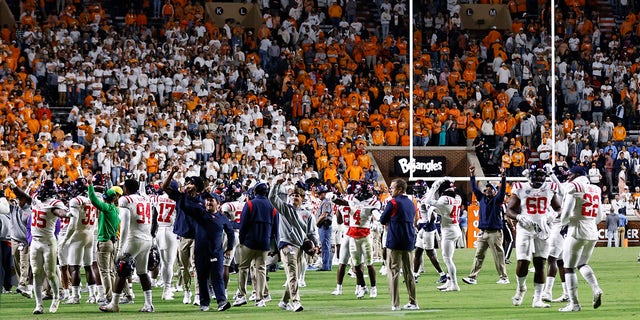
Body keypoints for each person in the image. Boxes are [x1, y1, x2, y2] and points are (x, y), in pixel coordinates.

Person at [507, 165, 562, 308]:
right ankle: (521, 287)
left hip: (543, 229)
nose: (539, 178)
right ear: (529, 175)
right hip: (525, 228)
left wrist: (553, 214)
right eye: (536, 175)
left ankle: (537, 299)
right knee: (523, 262)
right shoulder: (520, 187)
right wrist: (519, 217)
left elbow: (559, 208)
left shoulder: (550, 187)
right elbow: (509, 210)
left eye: (541, 176)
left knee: (540, 263)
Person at [100, 179, 157, 313]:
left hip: (133, 239)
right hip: (147, 238)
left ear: (126, 188)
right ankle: (148, 304)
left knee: (121, 271)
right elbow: (154, 217)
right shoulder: (147, 198)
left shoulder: (125, 200)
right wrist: (152, 237)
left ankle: (114, 304)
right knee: (142, 273)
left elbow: (124, 224)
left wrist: (120, 247)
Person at [15, 179, 71, 314]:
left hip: (48, 242)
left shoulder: (54, 204)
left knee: (50, 274)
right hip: (35, 241)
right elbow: (25, 196)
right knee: (36, 273)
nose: (40, 191)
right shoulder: (36, 199)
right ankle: (38, 305)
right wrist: (13, 186)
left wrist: (68, 214)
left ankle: (56, 297)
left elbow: (60, 213)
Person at [558, 166, 604, 312]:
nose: (567, 177)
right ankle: (596, 288)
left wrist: (563, 222)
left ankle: (575, 304)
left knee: (568, 267)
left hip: (577, 229)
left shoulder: (574, 186)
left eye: (570, 174)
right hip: (592, 230)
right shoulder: (595, 189)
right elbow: (600, 217)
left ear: (577, 175)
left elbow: (565, 215)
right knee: (582, 263)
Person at [180, 188, 234, 312]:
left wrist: (229, 248)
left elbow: (230, 233)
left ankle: (222, 301)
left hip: (216, 252)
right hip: (200, 252)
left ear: (218, 204)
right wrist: (186, 194)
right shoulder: (200, 214)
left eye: (212, 200)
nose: (209, 202)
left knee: (217, 277)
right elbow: (184, 206)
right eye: (208, 200)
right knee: (202, 278)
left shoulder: (222, 218)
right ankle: (204, 303)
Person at [270, 177, 318, 312]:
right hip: (287, 244)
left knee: (294, 275)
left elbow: (311, 232)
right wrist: (276, 185)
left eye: (297, 195)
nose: (294, 197)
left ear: (302, 198)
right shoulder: (285, 208)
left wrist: (316, 245)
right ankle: (296, 301)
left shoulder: (307, 214)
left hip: (300, 246)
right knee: (292, 273)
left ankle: (284, 301)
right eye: (292, 195)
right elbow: (272, 198)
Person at [462, 165, 510, 285]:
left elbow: (503, 189)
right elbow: (474, 188)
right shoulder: (482, 198)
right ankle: (472, 277)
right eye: (487, 188)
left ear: (495, 192)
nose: (488, 189)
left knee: (498, 255)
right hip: (483, 232)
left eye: (491, 188)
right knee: (478, 255)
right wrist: (472, 175)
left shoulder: (497, 200)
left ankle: (504, 277)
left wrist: (503, 177)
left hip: (495, 232)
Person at [234, 182, 279, 308]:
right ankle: (260, 298)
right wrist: (273, 246)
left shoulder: (250, 204)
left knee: (243, 269)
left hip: (249, 242)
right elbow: (276, 230)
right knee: (261, 270)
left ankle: (242, 295)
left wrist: (242, 240)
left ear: (255, 192)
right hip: (264, 244)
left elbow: (243, 225)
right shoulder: (273, 207)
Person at [379, 178, 418, 311]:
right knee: (409, 273)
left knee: (394, 273)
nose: (390, 189)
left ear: (400, 189)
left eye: (392, 187)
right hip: (408, 241)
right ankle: (413, 302)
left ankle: (395, 304)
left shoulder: (393, 202)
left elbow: (382, 220)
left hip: (395, 241)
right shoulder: (411, 203)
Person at [162, 166, 199, 305]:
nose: (188, 185)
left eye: (191, 183)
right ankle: (187, 291)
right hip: (183, 236)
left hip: (197, 236)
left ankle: (197, 294)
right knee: (183, 267)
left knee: (195, 266)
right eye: (187, 183)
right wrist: (171, 172)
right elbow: (164, 187)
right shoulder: (180, 197)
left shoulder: (201, 199)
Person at [61, 178, 98, 304]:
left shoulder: (75, 200)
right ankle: (93, 295)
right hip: (90, 233)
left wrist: (65, 239)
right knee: (88, 266)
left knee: (74, 267)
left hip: (79, 234)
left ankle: (75, 296)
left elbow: (73, 223)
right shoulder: (92, 199)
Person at [87, 175, 121, 305]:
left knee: (105, 272)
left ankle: (109, 297)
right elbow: (109, 195)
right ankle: (113, 295)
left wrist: (90, 186)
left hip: (104, 242)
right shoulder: (116, 210)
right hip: (113, 242)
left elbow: (94, 200)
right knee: (111, 271)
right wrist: (107, 180)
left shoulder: (106, 209)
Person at [426, 178, 463, 292]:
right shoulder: (458, 198)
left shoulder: (443, 199)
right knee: (449, 258)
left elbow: (428, 200)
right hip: (455, 228)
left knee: (447, 259)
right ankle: (449, 282)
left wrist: (434, 186)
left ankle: (455, 284)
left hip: (449, 230)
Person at [412, 180, 448, 285]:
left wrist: (423, 229)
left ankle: (442, 275)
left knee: (430, 252)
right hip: (423, 226)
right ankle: (415, 275)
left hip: (427, 228)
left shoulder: (426, 199)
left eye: (419, 189)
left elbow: (433, 216)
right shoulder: (423, 197)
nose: (417, 191)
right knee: (418, 252)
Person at [146, 184, 178, 300]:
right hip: (170, 231)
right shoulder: (176, 200)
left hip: (159, 231)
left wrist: (152, 232)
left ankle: (166, 288)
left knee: (164, 263)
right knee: (168, 263)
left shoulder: (158, 198)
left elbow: (154, 215)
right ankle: (167, 290)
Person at [314, 185, 333, 272]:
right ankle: (327, 266)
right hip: (323, 226)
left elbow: (324, 214)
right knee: (326, 245)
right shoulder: (324, 202)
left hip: (324, 225)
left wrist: (317, 223)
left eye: (319, 193)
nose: (318, 195)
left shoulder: (326, 202)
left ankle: (326, 266)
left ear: (324, 193)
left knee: (325, 246)